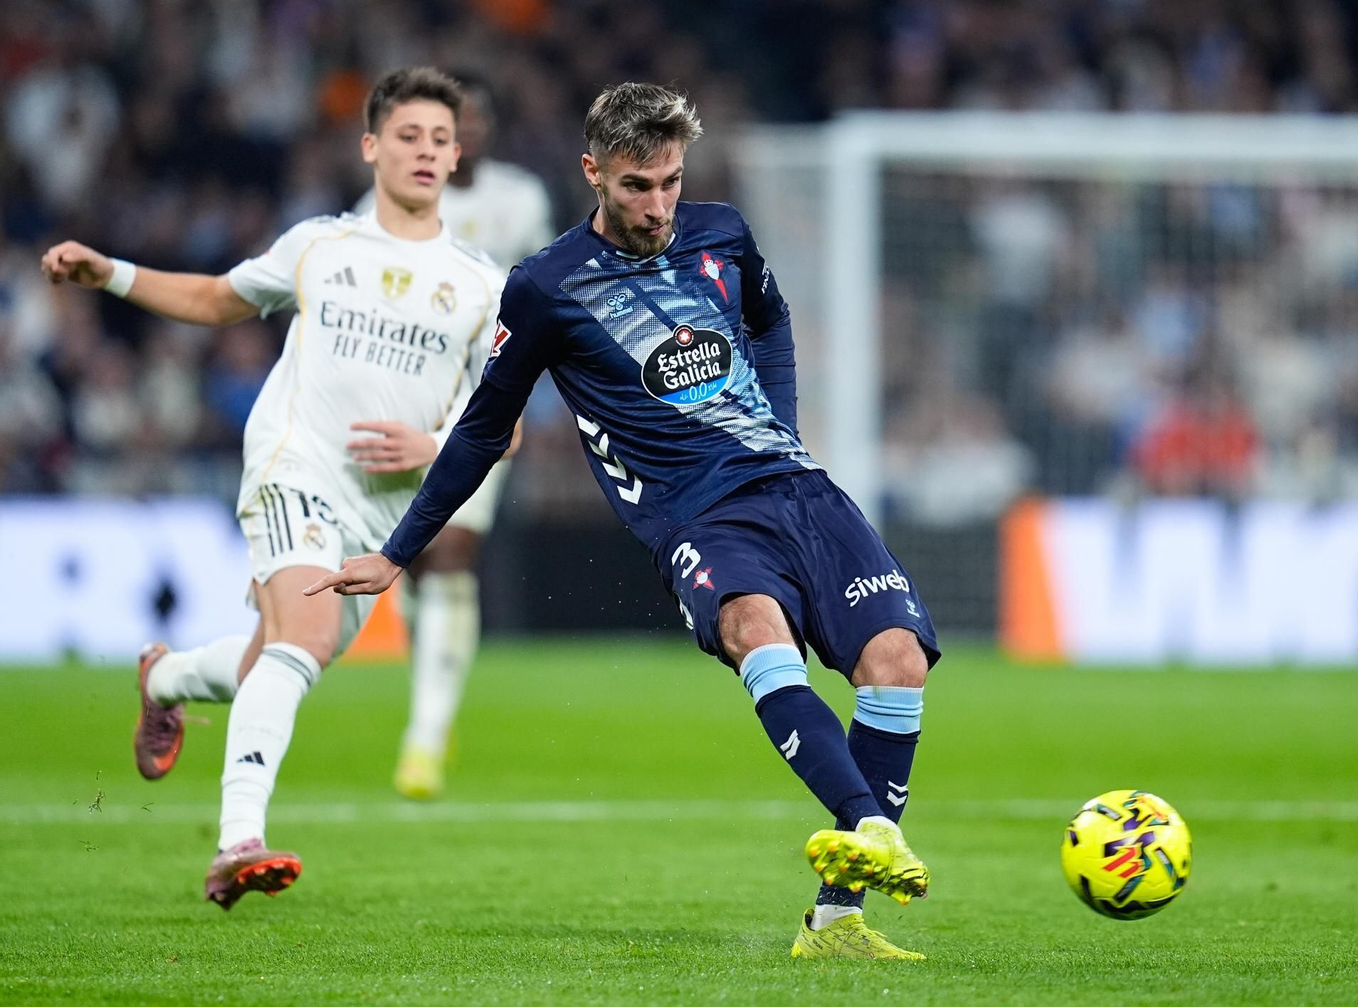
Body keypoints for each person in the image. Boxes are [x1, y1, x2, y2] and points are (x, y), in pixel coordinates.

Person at [308, 83, 940, 961]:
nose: (657, 205)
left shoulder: (723, 233)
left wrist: (784, 425)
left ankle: (836, 922)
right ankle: (869, 823)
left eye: (670, 182)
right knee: (756, 631)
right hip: (698, 513)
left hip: (797, 486)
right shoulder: (546, 286)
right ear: (594, 172)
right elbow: (484, 428)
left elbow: (770, 318)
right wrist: (397, 550)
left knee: (898, 661)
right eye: (637, 186)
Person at [39, 67, 509, 909]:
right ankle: (237, 842)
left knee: (285, 653)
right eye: (408, 135)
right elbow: (216, 299)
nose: (427, 151)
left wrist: (435, 444)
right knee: (306, 632)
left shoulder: (483, 285)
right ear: (370, 147)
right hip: (295, 466)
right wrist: (110, 273)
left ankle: (166, 679)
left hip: (387, 514)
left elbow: (502, 426)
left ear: (455, 155)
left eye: (441, 138)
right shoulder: (320, 246)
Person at [357, 71, 553, 800]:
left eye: (474, 120)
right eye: (451, 122)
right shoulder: (381, 205)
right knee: (411, 565)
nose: (464, 133)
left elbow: (548, 295)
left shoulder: (521, 200)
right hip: (400, 402)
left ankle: (425, 737)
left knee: (450, 553)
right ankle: (432, 696)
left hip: (483, 403)